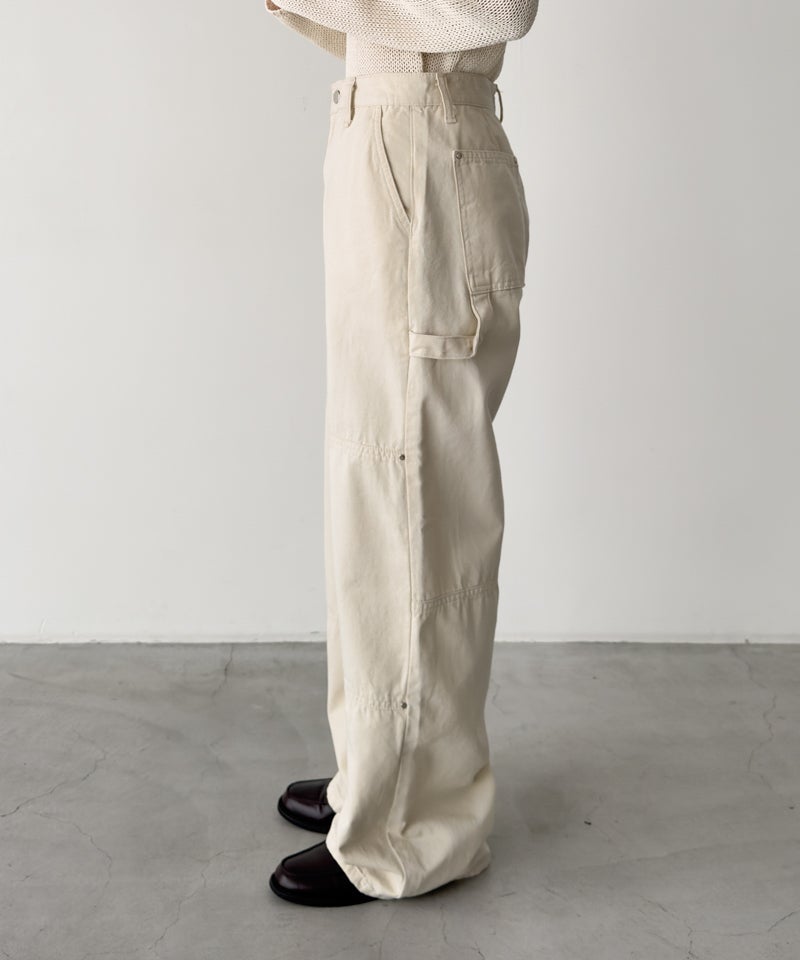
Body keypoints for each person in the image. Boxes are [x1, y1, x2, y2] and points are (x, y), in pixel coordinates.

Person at [264, 0, 539, 907]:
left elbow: (496, 8)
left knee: (416, 496)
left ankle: (412, 829)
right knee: (374, 480)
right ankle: (374, 775)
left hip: (425, 149)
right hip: (388, 136)